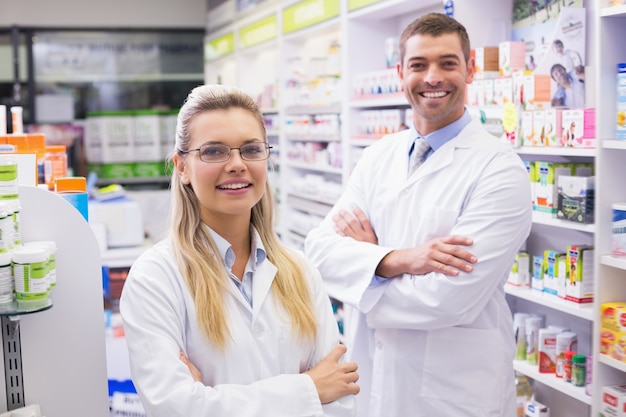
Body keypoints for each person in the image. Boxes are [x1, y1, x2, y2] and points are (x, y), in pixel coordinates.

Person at [304, 13, 532, 417]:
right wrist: (396, 260)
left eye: (447, 63)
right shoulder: (377, 157)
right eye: (418, 65)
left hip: (453, 391)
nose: (432, 77)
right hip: (370, 379)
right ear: (400, 72)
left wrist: (363, 271)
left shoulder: (499, 169)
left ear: (470, 69)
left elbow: (447, 299)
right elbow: (319, 252)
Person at [120, 84, 359, 417]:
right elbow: (175, 407)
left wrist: (212, 399)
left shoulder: (300, 271)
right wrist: (308, 389)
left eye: (250, 149)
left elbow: (340, 397)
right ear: (182, 167)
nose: (236, 164)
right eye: (214, 151)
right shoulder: (156, 278)